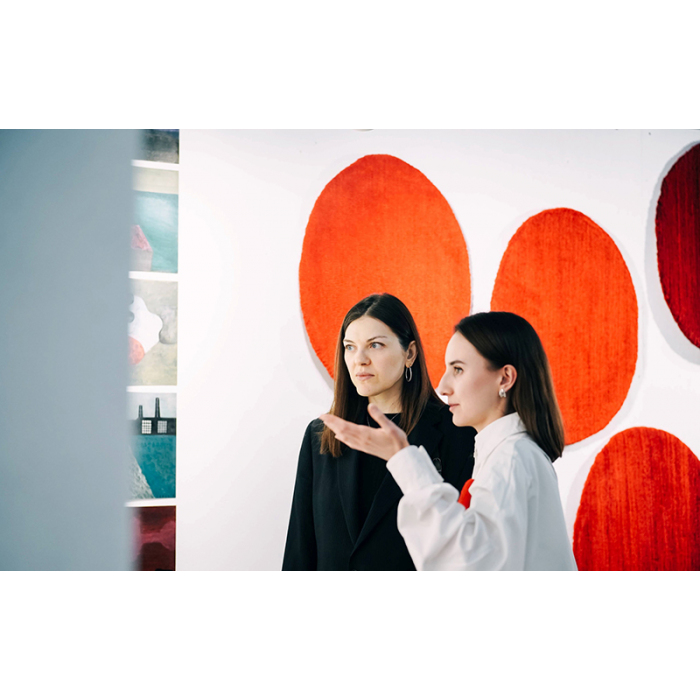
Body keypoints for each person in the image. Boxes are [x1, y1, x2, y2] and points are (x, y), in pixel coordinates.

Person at [321, 311, 578, 571]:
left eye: (458, 369)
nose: (443, 387)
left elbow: (469, 565)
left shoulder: (510, 459)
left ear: (505, 378)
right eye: (350, 347)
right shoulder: (507, 454)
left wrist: (404, 460)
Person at [283, 294, 476, 570]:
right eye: (350, 347)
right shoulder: (321, 435)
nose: (359, 360)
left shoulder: (458, 432)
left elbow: (466, 548)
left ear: (409, 353)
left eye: (375, 345)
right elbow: (300, 550)